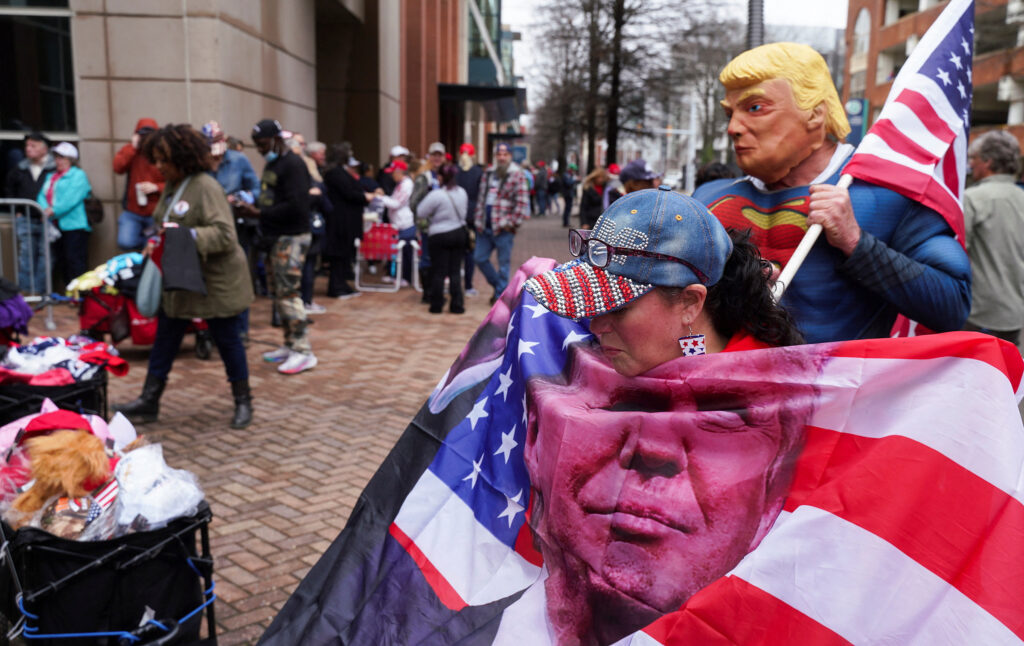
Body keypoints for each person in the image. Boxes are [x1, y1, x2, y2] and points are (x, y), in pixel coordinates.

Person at [519, 186, 811, 644]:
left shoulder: (784, 401)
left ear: (691, 303)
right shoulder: (599, 362)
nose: (595, 325)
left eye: (617, 306)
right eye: (592, 305)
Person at [694, 42, 970, 343]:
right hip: (725, 384)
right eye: (729, 113)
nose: (733, 127)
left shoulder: (885, 194)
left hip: (843, 386)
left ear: (814, 113)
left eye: (755, 108)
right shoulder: (707, 199)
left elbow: (952, 306)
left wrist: (857, 243)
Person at [114, 124, 255, 428]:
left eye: (164, 159)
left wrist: (184, 235)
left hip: (214, 283)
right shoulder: (173, 185)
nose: (159, 165)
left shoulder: (205, 186)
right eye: (157, 159)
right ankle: (149, 401)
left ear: (183, 156)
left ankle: (243, 401)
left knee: (228, 341)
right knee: (165, 339)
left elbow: (224, 236)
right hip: (181, 278)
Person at [234, 118, 317, 375]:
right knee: (279, 294)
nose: (259, 149)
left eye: (262, 143)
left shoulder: (293, 164)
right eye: (256, 145)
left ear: (276, 139)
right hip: (275, 237)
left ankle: (303, 351)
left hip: (291, 236)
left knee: (289, 294)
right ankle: (290, 344)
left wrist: (258, 213)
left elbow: (297, 204)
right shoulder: (275, 164)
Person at [962, 130, 1024, 344]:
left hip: (978, 314)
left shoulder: (972, 199)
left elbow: (955, 254)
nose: (971, 164)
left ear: (987, 161)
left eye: (974, 158)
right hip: (1016, 317)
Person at [473, 142, 531, 304]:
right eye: (499, 154)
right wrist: (478, 219)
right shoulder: (489, 173)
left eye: (505, 154)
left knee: (503, 264)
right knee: (479, 258)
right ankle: (500, 287)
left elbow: (521, 202)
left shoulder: (517, 174)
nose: (502, 157)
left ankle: (500, 297)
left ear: (510, 156)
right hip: (485, 226)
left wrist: (512, 223)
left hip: (504, 228)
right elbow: (481, 198)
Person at [322, 144, 374, 298]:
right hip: (340, 221)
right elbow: (349, 193)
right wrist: (365, 197)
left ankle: (342, 284)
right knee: (338, 255)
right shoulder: (334, 173)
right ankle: (336, 286)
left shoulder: (340, 172)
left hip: (347, 220)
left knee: (344, 255)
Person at [36, 142, 92, 287]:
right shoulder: (52, 176)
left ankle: (80, 294)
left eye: (62, 157)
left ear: (71, 159)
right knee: (62, 260)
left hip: (74, 225)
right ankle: (69, 291)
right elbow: (41, 195)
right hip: (55, 225)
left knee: (75, 259)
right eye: (57, 157)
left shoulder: (78, 175)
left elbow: (71, 198)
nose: (58, 160)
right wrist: (44, 209)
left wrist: (53, 210)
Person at [415, 162, 468, 314]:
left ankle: (436, 305)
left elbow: (420, 212)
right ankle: (457, 305)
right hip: (458, 233)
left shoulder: (436, 194)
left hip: (439, 235)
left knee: (439, 271)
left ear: (441, 177)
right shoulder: (462, 192)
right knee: (455, 271)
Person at [5, 132, 55, 295]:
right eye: (27, 145)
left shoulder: (54, 168)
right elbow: (9, 189)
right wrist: (18, 211)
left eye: (33, 145)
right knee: (26, 255)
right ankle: (26, 292)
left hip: (48, 219)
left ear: (44, 148)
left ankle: (40, 291)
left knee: (46, 256)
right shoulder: (20, 168)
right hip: (25, 217)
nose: (28, 149)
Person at [113, 118, 164, 250]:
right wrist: (133, 146)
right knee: (125, 241)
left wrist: (155, 187)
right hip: (133, 211)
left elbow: (174, 183)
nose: (146, 139)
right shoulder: (131, 151)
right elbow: (117, 168)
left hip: (156, 211)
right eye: (143, 135)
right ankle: (143, 246)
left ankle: (146, 249)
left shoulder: (163, 153)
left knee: (154, 248)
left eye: (150, 135)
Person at [378, 159, 416, 286]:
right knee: (397, 252)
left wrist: (380, 198)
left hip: (405, 224)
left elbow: (396, 203)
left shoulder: (407, 185)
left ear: (400, 172)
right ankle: (396, 275)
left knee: (406, 253)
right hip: (398, 224)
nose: (391, 175)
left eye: (393, 172)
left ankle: (406, 277)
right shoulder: (400, 184)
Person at [457, 143, 484, 296]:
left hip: (456, 217)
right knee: (469, 253)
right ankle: (467, 286)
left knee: (457, 253)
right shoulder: (478, 172)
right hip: (471, 218)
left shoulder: (454, 171)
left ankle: (456, 284)